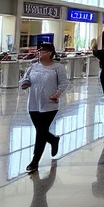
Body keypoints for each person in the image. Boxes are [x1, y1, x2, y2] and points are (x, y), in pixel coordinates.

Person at [19, 40, 69, 172]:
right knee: (41, 130)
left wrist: (57, 94)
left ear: (50, 52)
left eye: (43, 51)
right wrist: (25, 83)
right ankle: (53, 140)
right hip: (34, 103)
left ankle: (35, 161)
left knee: (41, 132)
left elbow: (64, 83)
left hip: (49, 104)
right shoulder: (33, 66)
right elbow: (25, 78)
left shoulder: (58, 68)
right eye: (39, 51)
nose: (40, 53)